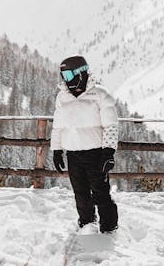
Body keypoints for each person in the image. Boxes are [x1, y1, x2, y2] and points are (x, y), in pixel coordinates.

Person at [50, 55, 119, 233]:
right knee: (80, 193)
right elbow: (57, 127)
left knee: (100, 192)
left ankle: (109, 228)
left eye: (69, 75)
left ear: (80, 73)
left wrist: (109, 152)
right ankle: (86, 224)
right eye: (63, 76)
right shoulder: (62, 97)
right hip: (73, 153)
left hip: (95, 153)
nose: (66, 80)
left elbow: (111, 125)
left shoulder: (100, 95)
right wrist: (56, 149)